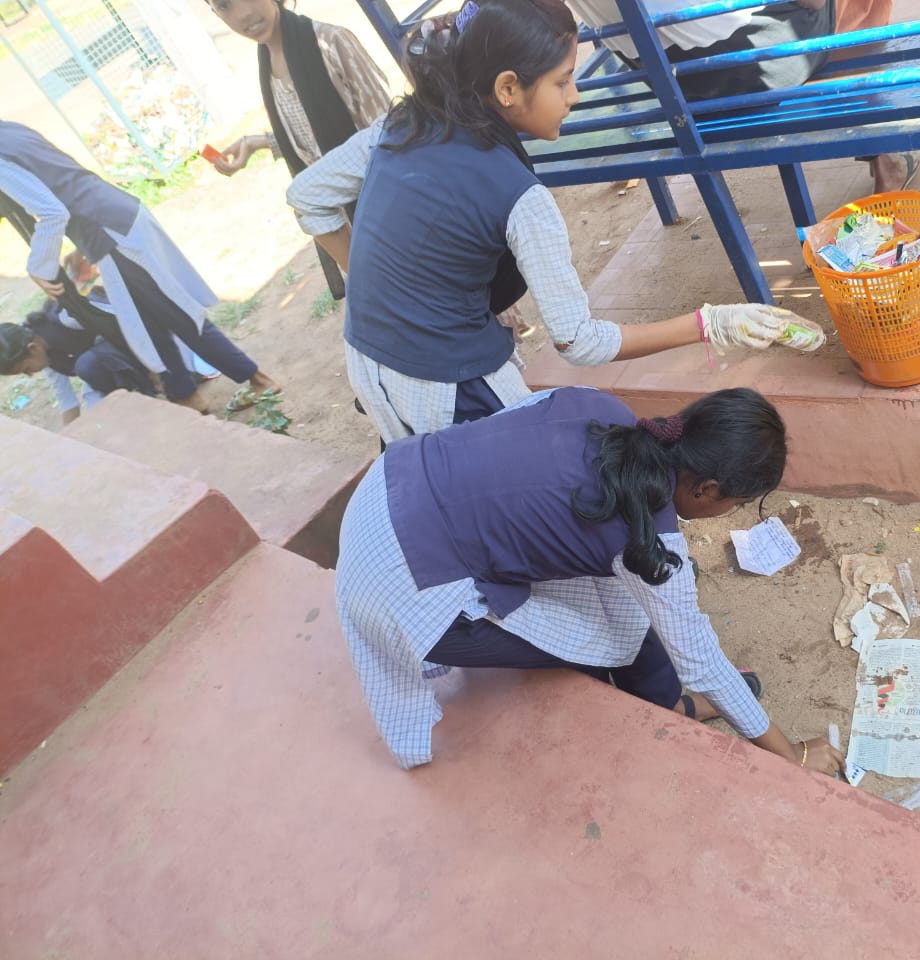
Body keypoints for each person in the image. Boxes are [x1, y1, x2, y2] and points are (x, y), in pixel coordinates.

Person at [286, 0, 824, 445]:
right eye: (563, 81)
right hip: (448, 383)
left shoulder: (402, 123)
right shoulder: (522, 198)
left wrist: (378, 285)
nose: (575, 95)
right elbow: (579, 342)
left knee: (425, 476)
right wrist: (713, 322)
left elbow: (307, 195)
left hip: (367, 359)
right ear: (507, 88)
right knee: (508, 488)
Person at [336, 384, 846, 774]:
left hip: (388, 482)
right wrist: (794, 755)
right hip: (401, 584)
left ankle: (665, 702)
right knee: (603, 638)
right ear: (707, 490)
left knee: (641, 599)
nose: (727, 512)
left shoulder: (598, 405)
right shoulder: (652, 538)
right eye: (735, 504)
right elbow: (701, 659)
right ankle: (656, 707)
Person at [0, 121, 280, 415]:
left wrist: (39, 266)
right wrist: (83, 244)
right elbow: (65, 179)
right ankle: (185, 395)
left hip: (111, 232)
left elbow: (51, 212)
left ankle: (257, 380)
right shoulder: (9, 130)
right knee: (149, 320)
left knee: (176, 314)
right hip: (112, 218)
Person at [568, 0, 915, 192]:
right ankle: (882, 152)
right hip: (754, 67)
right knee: (852, 9)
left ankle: (877, 146)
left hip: (681, 89)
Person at [204, 0, 391, 299]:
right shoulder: (268, 60)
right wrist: (258, 142)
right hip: (345, 222)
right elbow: (313, 140)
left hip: (387, 211)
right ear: (215, 13)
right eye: (225, 5)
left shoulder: (329, 42)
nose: (244, 14)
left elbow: (390, 132)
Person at [0, 305, 154, 425]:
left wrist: (155, 370)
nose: (30, 375)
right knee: (97, 413)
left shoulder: (68, 319)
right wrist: (67, 441)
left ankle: (145, 392)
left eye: (26, 369)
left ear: (32, 348)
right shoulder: (43, 355)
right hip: (114, 368)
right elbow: (66, 400)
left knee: (86, 366)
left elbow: (126, 323)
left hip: (141, 348)